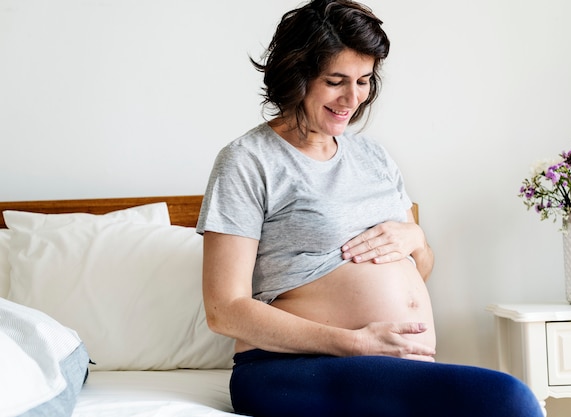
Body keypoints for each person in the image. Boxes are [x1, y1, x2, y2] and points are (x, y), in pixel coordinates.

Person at [196, 1, 544, 416]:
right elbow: (224, 311)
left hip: (387, 363)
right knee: (507, 399)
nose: (352, 98)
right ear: (296, 75)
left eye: (364, 80)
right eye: (335, 80)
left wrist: (416, 238)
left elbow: (418, 269)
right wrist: (355, 342)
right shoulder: (248, 160)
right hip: (290, 367)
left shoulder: (373, 157)